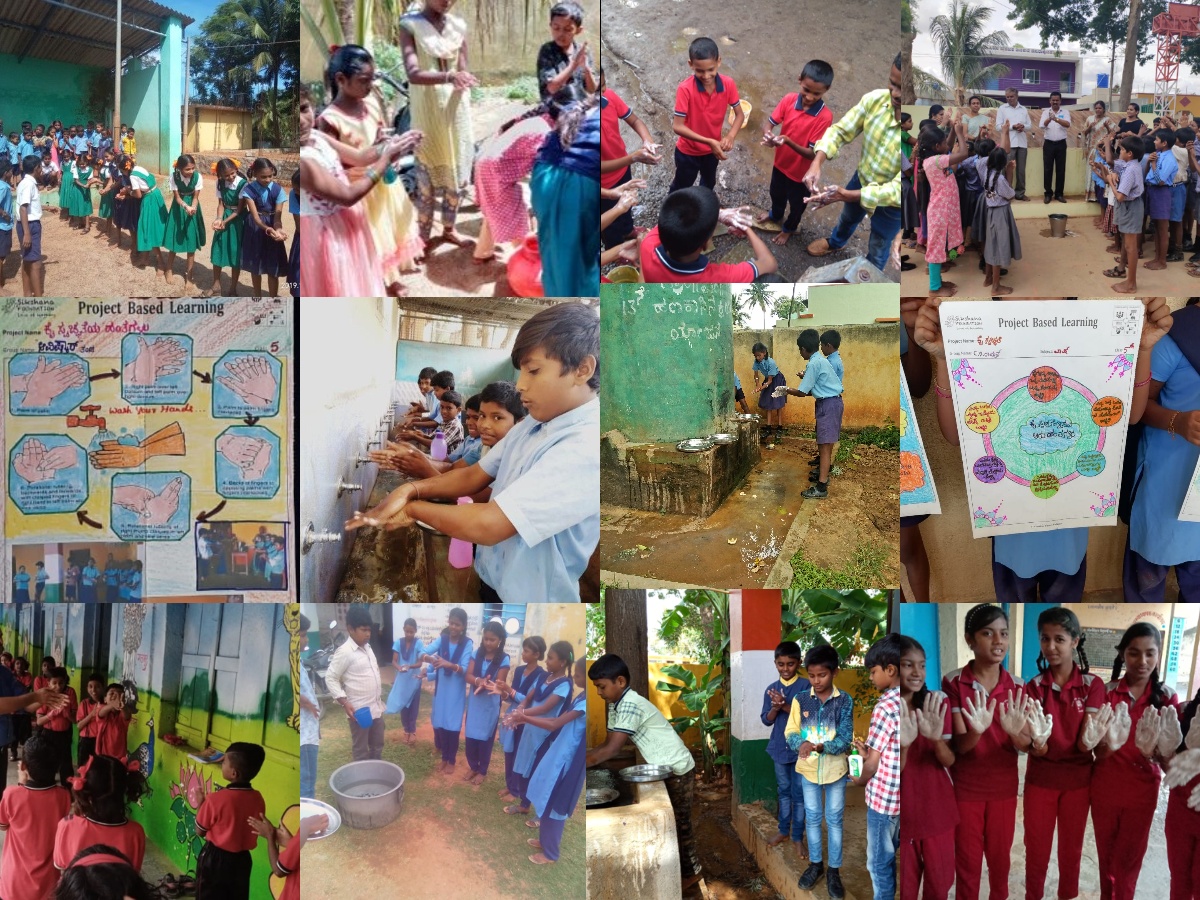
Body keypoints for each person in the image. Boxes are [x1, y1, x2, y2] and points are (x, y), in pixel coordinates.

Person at [346, 303, 599, 604]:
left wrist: (411, 508)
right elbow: (473, 475)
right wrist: (411, 488)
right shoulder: (534, 424)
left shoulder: (587, 446)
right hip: (494, 576)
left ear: (582, 369)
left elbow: (491, 524)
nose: (521, 385)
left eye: (534, 371)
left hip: (532, 598)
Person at [318, 45, 424, 296]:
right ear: (341, 80)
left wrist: (390, 147)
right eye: (363, 81)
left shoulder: (371, 104)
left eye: (371, 79)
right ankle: (382, 281)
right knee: (373, 241)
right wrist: (379, 156)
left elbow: (377, 138)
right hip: (361, 190)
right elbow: (332, 163)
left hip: (385, 183)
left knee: (391, 231)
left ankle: (392, 276)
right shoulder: (330, 120)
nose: (369, 86)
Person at [1016, 608, 1107, 900]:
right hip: (1040, 782)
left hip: (1078, 784)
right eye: (1045, 639)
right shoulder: (1033, 686)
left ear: (1075, 642)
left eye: (1060, 639)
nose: (1051, 646)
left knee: (1072, 851)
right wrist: (1037, 744)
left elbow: (1084, 744)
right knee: (1037, 850)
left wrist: (1091, 741)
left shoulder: (1093, 685)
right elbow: (1034, 746)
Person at [587, 653, 700, 887]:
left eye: (602, 687)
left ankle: (691, 873)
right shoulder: (616, 704)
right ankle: (682, 868)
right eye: (597, 687)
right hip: (664, 766)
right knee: (674, 821)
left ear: (620, 681)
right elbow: (606, 744)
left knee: (681, 823)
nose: (599, 692)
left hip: (678, 767)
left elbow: (612, 750)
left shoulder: (630, 703)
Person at [1091, 623, 1179, 900]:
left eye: (1150, 654)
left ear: (1158, 655)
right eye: (1134, 653)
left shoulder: (1167, 697)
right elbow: (1095, 751)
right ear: (1122, 655)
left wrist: (1158, 753)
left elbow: (1168, 758)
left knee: (1129, 862)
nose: (1142, 662)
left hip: (1142, 791)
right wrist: (1109, 745)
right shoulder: (1106, 692)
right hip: (1104, 787)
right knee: (1106, 858)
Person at [1123, 297, 1200, 600]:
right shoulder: (1177, 333)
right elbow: (1139, 407)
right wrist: (1178, 422)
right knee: (1147, 580)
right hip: (1165, 481)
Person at [804, 54, 902, 272]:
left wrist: (847, 195)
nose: (895, 94)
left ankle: (869, 272)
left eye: (902, 89)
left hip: (893, 204)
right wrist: (817, 161)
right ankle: (836, 243)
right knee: (848, 217)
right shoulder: (875, 100)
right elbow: (840, 131)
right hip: (862, 178)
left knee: (879, 243)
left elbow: (901, 187)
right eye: (892, 84)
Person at [399, 0, 478, 252]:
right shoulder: (410, 26)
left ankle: (448, 229)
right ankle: (422, 237)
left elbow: (462, 68)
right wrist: (449, 76)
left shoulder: (458, 26)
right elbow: (413, 73)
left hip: (456, 111)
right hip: (428, 113)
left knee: (455, 176)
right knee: (426, 182)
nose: (447, 1)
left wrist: (463, 79)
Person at [786, 644, 850, 897]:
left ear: (834, 672)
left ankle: (834, 870)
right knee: (812, 817)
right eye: (811, 676)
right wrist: (800, 743)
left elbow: (845, 737)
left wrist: (825, 747)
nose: (816, 681)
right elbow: (790, 731)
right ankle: (816, 866)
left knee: (834, 819)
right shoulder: (800, 700)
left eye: (821, 675)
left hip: (835, 770)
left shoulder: (844, 700)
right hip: (808, 770)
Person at [896, 636, 956, 900]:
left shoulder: (936, 704)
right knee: (906, 888)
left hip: (936, 812)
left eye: (921, 666)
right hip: (904, 817)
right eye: (908, 665)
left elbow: (949, 761)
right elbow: (890, 773)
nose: (917, 672)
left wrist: (934, 739)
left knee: (938, 885)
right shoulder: (888, 710)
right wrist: (905, 746)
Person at [516, 657, 586, 865]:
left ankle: (551, 853)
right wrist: (525, 715)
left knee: (556, 804)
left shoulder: (585, 703)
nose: (575, 677)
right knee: (546, 796)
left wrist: (525, 717)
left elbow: (554, 723)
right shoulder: (581, 696)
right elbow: (555, 721)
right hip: (558, 754)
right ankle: (544, 841)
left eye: (579, 675)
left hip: (566, 761)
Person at [529, 96, 600, 296]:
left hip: (543, 175)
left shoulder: (576, 106)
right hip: (580, 185)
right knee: (580, 271)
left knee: (556, 261)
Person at [850, 634, 903, 900]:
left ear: (890, 670)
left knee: (878, 863)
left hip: (882, 803)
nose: (871, 678)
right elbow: (888, 750)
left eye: (873, 671)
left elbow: (872, 764)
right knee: (892, 853)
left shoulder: (885, 706)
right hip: (901, 801)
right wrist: (867, 750)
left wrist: (858, 777)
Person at [758, 60, 834, 245]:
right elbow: (769, 123)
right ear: (799, 80)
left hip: (801, 175)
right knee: (775, 194)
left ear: (826, 90)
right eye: (806, 90)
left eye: (817, 93)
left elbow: (811, 154)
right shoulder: (789, 99)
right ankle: (775, 215)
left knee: (797, 206)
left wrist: (788, 141)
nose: (809, 97)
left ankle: (789, 229)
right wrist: (768, 135)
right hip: (780, 165)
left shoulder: (824, 117)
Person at [640, 184, 776, 281]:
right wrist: (746, 229)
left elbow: (675, 222)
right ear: (705, 245)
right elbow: (769, 263)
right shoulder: (715, 280)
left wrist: (718, 214)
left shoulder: (647, 244)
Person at [0, 731, 72, 900]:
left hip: (14, 884)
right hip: (48, 885)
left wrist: (21, 784)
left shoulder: (12, 794)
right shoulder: (63, 796)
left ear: (23, 766)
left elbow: (3, 825)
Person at [506, 640, 573, 814]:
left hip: (543, 733)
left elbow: (545, 708)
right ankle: (524, 805)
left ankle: (539, 812)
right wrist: (522, 706)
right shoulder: (544, 677)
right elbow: (530, 696)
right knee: (522, 765)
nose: (546, 661)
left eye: (550, 658)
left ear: (563, 662)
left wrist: (523, 714)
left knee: (536, 770)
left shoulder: (564, 684)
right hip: (530, 728)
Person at [669, 36, 743, 194]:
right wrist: (709, 141)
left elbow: (740, 115)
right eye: (699, 70)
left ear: (719, 62)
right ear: (691, 65)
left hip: (711, 152)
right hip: (688, 152)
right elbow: (677, 126)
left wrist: (730, 136)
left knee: (708, 183)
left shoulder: (728, 84)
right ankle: (673, 211)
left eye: (711, 69)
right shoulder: (685, 89)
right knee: (681, 187)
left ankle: (701, 212)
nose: (706, 75)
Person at [777, 330, 844, 499]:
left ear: (805, 348)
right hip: (831, 403)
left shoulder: (814, 363)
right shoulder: (820, 360)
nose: (800, 353)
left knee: (824, 446)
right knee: (826, 445)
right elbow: (809, 390)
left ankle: (821, 487)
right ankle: (823, 477)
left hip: (827, 405)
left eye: (800, 350)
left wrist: (785, 390)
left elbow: (801, 392)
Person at [194, 743, 266, 900]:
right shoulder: (258, 798)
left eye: (224, 762)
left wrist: (201, 803)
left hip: (214, 859)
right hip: (243, 860)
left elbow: (200, 831)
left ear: (234, 773)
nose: (222, 764)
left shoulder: (215, 799)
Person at [55, 754, 149, 871]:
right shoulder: (136, 833)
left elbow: (63, 872)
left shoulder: (67, 826)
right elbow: (133, 877)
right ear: (125, 788)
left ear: (86, 792)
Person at [599, 66, 658, 249]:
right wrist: (633, 158)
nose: (602, 93)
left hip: (623, 170)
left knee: (626, 206)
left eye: (603, 85)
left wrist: (647, 140)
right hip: (600, 185)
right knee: (609, 222)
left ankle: (628, 230)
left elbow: (634, 120)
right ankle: (616, 250)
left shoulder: (609, 97)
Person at [761, 642, 810, 853]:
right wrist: (774, 707)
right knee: (783, 792)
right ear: (775, 664)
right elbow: (767, 720)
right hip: (780, 748)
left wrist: (784, 705)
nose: (786, 668)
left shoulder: (806, 686)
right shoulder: (771, 689)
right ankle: (783, 830)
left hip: (802, 750)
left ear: (799, 662)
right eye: (781, 664)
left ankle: (798, 836)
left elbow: (808, 718)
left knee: (799, 794)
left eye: (790, 664)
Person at [324, 606, 384, 762]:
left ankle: (375, 775)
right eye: (363, 630)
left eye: (369, 630)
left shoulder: (368, 647)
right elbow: (330, 677)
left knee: (377, 745)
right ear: (350, 629)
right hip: (359, 713)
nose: (368, 634)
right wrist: (344, 701)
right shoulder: (345, 652)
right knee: (361, 750)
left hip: (376, 708)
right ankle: (362, 783)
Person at [918, 117, 970, 296]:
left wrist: (954, 132)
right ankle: (934, 288)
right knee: (936, 248)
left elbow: (946, 145)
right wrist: (961, 135)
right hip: (941, 210)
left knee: (950, 243)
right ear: (936, 147)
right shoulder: (937, 161)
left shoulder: (933, 158)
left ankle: (939, 279)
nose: (945, 145)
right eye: (942, 142)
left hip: (946, 209)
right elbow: (963, 154)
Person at [493, 636, 547, 803]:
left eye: (526, 651)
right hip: (512, 715)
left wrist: (509, 690)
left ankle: (516, 790)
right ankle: (509, 785)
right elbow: (513, 696)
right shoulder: (518, 670)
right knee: (509, 752)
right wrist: (503, 692)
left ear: (537, 654)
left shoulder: (541, 675)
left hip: (525, 719)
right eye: (523, 650)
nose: (523, 654)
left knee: (518, 754)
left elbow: (529, 699)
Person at [421, 607, 474, 774]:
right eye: (451, 623)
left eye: (457, 624)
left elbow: (465, 669)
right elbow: (422, 652)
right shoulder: (442, 639)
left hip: (456, 692)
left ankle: (451, 759)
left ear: (464, 626)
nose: (453, 627)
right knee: (441, 725)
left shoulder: (467, 643)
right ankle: (444, 758)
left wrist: (448, 664)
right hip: (441, 691)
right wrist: (431, 658)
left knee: (453, 726)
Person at [462, 620, 510, 785]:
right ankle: (473, 766)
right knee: (471, 737)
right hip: (475, 703)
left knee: (485, 740)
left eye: (492, 639)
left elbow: (500, 683)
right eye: (486, 639)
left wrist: (490, 684)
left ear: (500, 640)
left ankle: (482, 770)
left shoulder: (504, 659)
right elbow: (467, 675)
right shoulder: (476, 654)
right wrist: (478, 680)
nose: (488, 642)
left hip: (490, 704)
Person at [1098, 134, 1145, 293]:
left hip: (1130, 208)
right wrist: (1107, 144)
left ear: (1129, 153)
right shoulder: (1128, 165)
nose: (1120, 151)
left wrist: (1111, 181)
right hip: (1128, 208)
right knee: (1127, 243)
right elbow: (1112, 162)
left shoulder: (1131, 170)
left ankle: (1131, 284)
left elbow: (1119, 196)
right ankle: (1123, 272)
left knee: (1131, 247)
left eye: (1122, 149)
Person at [239, 158, 289, 297]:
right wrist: (267, 229)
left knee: (273, 267)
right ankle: (257, 296)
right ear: (254, 174)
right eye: (263, 177)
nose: (267, 179)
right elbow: (255, 217)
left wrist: (278, 229)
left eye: (270, 176)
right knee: (256, 266)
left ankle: (273, 298)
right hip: (255, 228)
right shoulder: (249, 190)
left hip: (272, 223)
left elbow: (277, 218)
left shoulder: (278, 190)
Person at [537, 2, 596, 119]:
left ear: (578, 30)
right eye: (556, 28)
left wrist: (586, 69)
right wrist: (573, 65)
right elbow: (552, 88)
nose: (560, 34)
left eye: (567, 29)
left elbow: (592, 89)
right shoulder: (547, 50)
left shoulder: (582, 51)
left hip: (580, 107)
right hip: (555, 109)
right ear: (551, 26)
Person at [981, 129, 1021, 297]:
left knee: (991, 245)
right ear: (1004, 163)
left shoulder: (986, 172)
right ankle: (996, 287)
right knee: (999, 248)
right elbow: (1011, 194)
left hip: (990, 212)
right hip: (1000, 214)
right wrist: (1011, 172)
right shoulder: (1001, 179)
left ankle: (988, 277)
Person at [164, 154, 206, 289]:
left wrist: (193, 207)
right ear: (180, 169)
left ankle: (189, 275)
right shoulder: (174, 177)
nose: (191, 171)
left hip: (192, 207)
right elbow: (176, 198)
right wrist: (185, 207)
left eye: (193, 168)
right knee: (176, 239)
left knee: (191, 241)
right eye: (188, 169)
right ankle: (168, 269)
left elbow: (196, 197)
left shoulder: (198, 177)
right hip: (179, 207)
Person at [125, 154, 168, 278]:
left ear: (124, 169)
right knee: (148, 227)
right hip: (156, 195)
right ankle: (145, 258)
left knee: (149, 229)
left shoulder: (132, 176)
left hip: (149, 200)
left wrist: (128, 191)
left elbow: (138, 195)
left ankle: (160, 263)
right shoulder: (138, 168)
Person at [384, 617, 424, 749]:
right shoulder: (398, 643)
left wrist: (410, 666)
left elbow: (420, 662)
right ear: (403, 630)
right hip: (402, 680)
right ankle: (406, 731)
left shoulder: (418, 643)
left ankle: (412, 732)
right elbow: (394, 660)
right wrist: (399, 668)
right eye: (407, 631)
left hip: (414, 680)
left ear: (415, 631)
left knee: (413, 707)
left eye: (411, 632)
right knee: (403, 707)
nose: (409, 634)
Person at [209, 158, 247, 297]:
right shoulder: (219, 183)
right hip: (225, 216)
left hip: (238, 221)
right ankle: (216, 284)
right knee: (218, 249)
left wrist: (225, 221)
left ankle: (233, 287)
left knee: (235, 253)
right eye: (226, 175)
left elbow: (239, 209)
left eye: (233, 173)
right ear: (220, 175)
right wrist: (219, 219)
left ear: (236, 170)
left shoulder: (243, 184)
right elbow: (221, 204)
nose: (230, 177)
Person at [1144, 128, 1179, 273]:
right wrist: (1150, 162)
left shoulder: (1170, 158)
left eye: (1157, 139)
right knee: (1157, 228)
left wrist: (1153, 164)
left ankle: (1162, 261)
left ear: (1164, 143)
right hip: (1152, 191)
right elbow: (1148, 175)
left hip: (1161, 192)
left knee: (1163, 229)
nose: (1154, 141)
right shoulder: (1158, 154)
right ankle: (1157, 257)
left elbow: (1160, 181)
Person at [34, 667, 75, 787]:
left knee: (66, 764)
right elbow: (39, 721)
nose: (58, 686)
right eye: (54, 683)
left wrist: (67, 714)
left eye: (61, 683)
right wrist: (51, 715)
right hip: (48, 733)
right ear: (48, 683)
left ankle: (68, 790)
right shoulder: (45, 694)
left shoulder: (70, 692)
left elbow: (75, 720)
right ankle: (47, 787)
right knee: (48, 762)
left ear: (65, 681)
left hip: (65, 733)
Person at [16, 154, 45, 296]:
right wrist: (27, 233)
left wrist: (45, 208)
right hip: (30, 225)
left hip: (27, 223)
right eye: (40, 166)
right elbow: (23, 208)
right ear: (36, 168)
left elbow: (29, 206)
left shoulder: (25, 182)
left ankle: (27, 294)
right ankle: (39, 300)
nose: (41, 169)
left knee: (27, 260)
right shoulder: (29, 184)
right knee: (35, 263)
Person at [994, 87, 1031, 201]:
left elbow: (1030, 126)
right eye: (1007, 97)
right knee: (1006, 169)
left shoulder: (1023, 109)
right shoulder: (1002, 109)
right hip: (1008, 143)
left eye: (1011, 96)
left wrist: (1023, 127)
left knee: (1021, 170)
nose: (1009, 99)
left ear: (1017, 96)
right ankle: (1006, 193)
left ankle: (1020, 193)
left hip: (1022, 144)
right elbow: (997, 126)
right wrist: (1012, 127)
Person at [750, 341, 786, 442]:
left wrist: (761, 388)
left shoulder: (771, 362)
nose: (757, 358)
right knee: (768, 403)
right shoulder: (756, 362)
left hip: (777, 380)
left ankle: (779, 427)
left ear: (764, 352)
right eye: (755, 356)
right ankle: (768, 427)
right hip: (768, 380)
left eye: (759, 355)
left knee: (778, 403)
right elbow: (756, 375)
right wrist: (757, 384)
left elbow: (770, 381)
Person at [1039, 91, 1071, 203]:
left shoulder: (1065, 112)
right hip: (1048, 144)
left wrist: (1056, 119)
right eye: (1053, 100)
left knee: (1060, 170)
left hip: (1061, 144)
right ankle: (1048, 194)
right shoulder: (1045, 112)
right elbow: (1041, 125)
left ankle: (1059, 194)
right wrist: (1049, 118)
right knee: (1048, 169)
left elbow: (1067, 124)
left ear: (1060, 101)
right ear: (1050, 101)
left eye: (1057, 100)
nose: (1055, 102)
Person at [1083, 101, 1118, 201]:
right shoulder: (1089, 119)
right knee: (1091, 169)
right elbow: (1084, 133)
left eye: (1100, 108)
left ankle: (1100, 196)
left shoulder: (1108, 120)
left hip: (1103, 150)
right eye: (1096, 108)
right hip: (1091, 148)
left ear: (1104, 109)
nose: (1098, 110)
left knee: (1101, 170)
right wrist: (1090, 127)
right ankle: (1090, 195)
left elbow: (1113, 134)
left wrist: (1107, 127)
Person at [94, 683, 134, 762]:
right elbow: (100, 713)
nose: (115, 696)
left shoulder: (122, 713)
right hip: (103, 755)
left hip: (120, 757)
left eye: (119, 694)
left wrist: (122, 706)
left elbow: (127, 716)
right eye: (112, 693)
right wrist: (112, 705)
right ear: (105, 699)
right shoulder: (103, 710)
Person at [75, 674, 106, 771]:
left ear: (102, 688)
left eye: (97, 686)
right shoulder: (84, 704)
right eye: (90, 686)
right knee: (83, 768)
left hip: (101, 741)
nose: (93, 690)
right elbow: (79, 726)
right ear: (87, 688)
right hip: (86, 741)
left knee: (98, 769)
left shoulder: (107, 704)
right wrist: (91, 715)